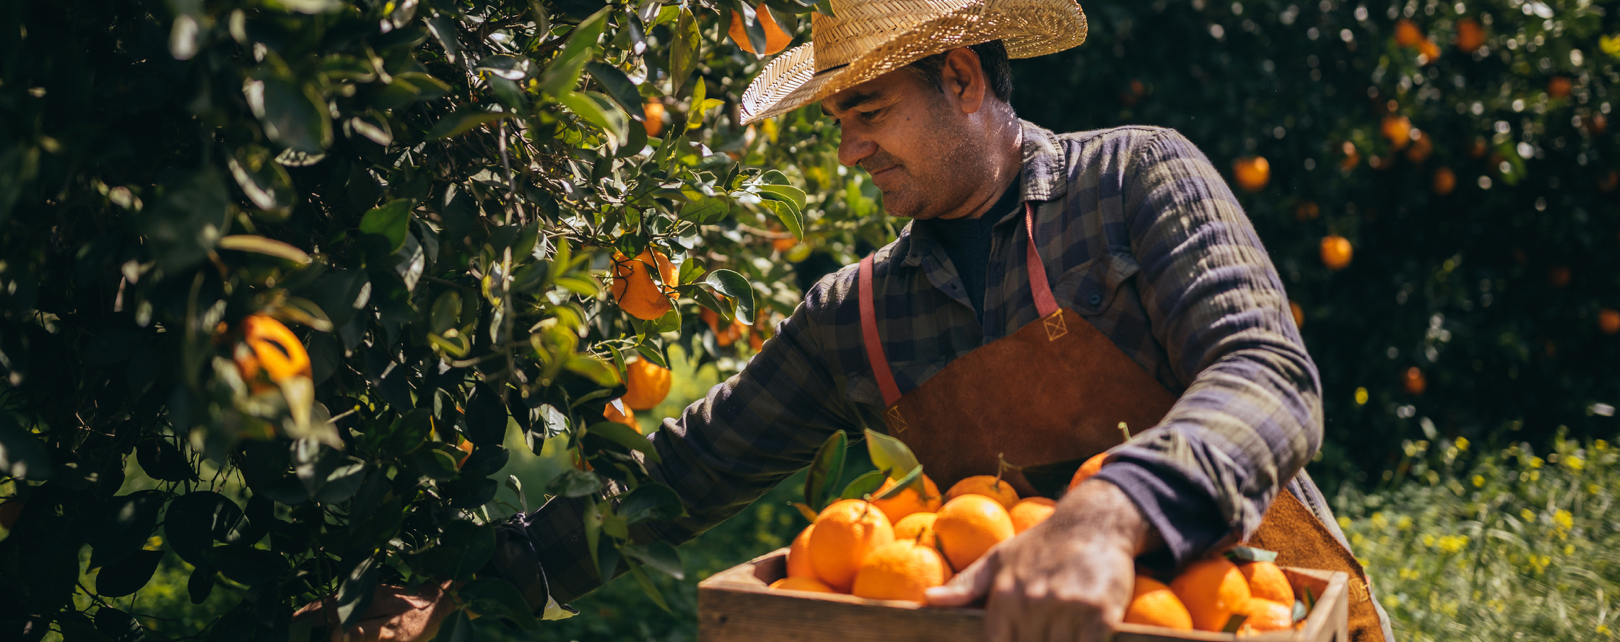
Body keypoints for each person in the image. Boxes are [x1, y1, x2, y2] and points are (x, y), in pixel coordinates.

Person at [306, 0, 1394, 640]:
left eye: (867, 112)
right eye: (838, 122)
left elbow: (1267, 374)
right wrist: (461, 585)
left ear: (962, 76)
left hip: (1236, 611)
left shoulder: (1136, 178)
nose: (847, 151)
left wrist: (1113, 514)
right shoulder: (858, 314)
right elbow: (680, 478)